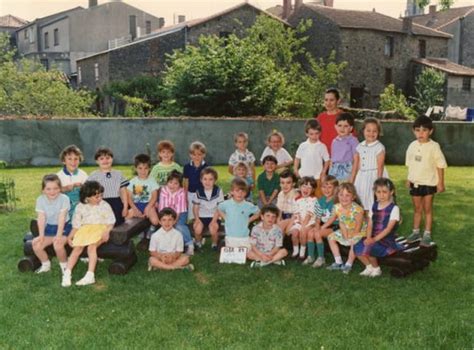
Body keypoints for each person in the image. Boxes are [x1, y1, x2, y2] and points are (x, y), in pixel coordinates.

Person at [61, 181, 115, 287]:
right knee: (77, 248)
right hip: (85, 230)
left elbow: (111, 221)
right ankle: (67, 273)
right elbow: (76, 225)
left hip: (100, 229)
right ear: (87, 197)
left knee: (91, 247)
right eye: (96, 197)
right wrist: (70, 236)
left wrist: (107, 232)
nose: (100, 198)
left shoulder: (105, 205)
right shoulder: (80, 207)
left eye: (101, 195)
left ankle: (90, 275)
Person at [405, 115, 447, 246]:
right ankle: (416, 232)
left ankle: (427, 234)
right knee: (417, 208)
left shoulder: (434, 146)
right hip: (415, 182)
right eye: (417, 130)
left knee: (427, 209)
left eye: (424, 130)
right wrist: (409, 178)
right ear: (413, 131)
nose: (421, 133)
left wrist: (440, 183)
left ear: (431, 131)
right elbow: (410, 164)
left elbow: (440, 165)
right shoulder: (412, 145)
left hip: (429, 183)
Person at [354, 178, 403, 277]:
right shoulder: (374, 206)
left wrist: (374, 239)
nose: (381, 195)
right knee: (357, 244)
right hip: (373, 237)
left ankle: (376, 269)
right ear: (375, 193)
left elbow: (388, 229)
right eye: (378, 192)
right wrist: (368, 237)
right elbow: (370, 224)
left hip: (386, 239)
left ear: (391, 192)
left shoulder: (394, 208)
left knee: (370, 247)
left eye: (385, 192)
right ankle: (369, 267)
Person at [324, 182, 367, 274]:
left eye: (347, 195)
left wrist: (351, 237)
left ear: (353, 197)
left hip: (358, 231)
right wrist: (322, 227)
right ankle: (338, 261)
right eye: (341, 195)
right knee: (330, 237)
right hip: (345, 228)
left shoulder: (357, 210)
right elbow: (336, 221)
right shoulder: (337, 207)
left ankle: (348, 264)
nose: (344, 198)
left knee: (354, 243)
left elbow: (358, 226)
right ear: (337, 196)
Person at [32, 174, 71, 274]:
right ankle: (45, 264)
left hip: (64, 226)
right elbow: (41, 218)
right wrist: (41, 235)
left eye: (55, 188)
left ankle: (65, 267)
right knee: (36, 243)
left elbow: (61, 218)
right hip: (49, 227)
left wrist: (58, 235)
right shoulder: (40, 200)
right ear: (43, 190)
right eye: (48, 189)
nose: (52, 191)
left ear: (60, 189)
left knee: (57, 245)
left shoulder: (64, 198)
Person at [351, 118, 388, 211]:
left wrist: (379, 184)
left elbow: (380, 167)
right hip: (361, 177)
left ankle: (374, 219)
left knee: (372, 199)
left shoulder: (379, 147)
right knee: (361, 200)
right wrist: (351, 181)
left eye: (374, 131)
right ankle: (363, 220)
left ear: (378, 132)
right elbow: (355, 166)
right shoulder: (359, 146)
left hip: (373, 176)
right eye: (368, 130)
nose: (371, 133)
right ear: (363, 131)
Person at [88, 147, 129, 226]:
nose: (105, 160)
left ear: (112, 159)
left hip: (116, 203)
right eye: (102, 158)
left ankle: (119, 238)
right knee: (103, 225)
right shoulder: (93, 176)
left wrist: (125, 207)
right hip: (100, 203)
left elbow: (123, 191)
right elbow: (88, 193)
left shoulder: (119, 174)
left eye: (108, 158)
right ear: (97, 161)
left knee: (118, 224)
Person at [304, 175, 339, 267]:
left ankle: (321, 258)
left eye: (329, 187)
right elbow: (318, 217)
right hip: (324, 223)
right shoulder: (320, 201)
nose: (326, 190)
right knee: (310, 233)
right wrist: (316, 226)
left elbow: (333, 218)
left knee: (318, 234)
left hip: (335, 225)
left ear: (335, 188)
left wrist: (320, 229)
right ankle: (310, 256)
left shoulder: (336, 201)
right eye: (324, 187)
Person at [158, 170, 194, 255]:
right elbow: (163, 208)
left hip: (180, 213)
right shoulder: (163, 191)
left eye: (176, 183)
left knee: (179, 226)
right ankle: (168, 247)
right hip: (166, 213)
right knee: (165, 226)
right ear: (167, 182)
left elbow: (178, 211)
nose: (172, 185)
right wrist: (167, 220)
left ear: (180, 184)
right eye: (170, 182)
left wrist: (173, 222)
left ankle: (190, 244)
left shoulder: (181, 192)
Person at [217, 178, 260, 249]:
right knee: (232, 254)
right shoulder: (227, 204)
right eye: (237, 191)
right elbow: (219, 208)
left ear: (246, 193)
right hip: (230, 237)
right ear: (232, 192)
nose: (240, 193)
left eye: (242, 191)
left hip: (244, 237)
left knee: (247, 253)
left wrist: (249, 220)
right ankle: (224, 244)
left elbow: (258, 212)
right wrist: (225, 217)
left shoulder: (248, 205)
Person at [192, 167, 224, 251]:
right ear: (201, 180)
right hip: (201, 215)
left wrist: (214, 221)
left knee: (213, 228)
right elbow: (195, 207)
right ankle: (198, 243)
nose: (207, 182)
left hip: (214, 215)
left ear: (215, 180)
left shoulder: (218, 191)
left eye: (210, 179)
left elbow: (219, 208)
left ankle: (214, 244)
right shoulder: (198, 191)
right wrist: (197, 219)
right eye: (205, 179)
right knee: (197, 229)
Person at [126, 154, 159, 233]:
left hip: (148, 204)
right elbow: (129, 198)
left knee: (155, 221)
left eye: (146, 168)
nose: (143, 171)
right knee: (126, 217)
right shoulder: (132, 181)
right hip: (136, 204)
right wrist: (135, 209)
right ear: (135, 168)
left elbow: (154, 197)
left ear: (149, 168)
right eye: (140, 168)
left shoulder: (152, 181)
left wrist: (148, 207)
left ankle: (151, 229)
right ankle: (136, 232)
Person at [294, 119, 330, 191]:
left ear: (320, 133)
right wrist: (295, 169)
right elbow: (297, 158)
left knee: (317, 195)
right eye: (311, 134)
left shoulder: (322, 146)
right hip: (304, 176)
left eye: (317, 133)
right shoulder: (302, 145)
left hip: (317, 177)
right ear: (306, 134)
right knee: (304, 195)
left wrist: (323, 172)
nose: (314, 136)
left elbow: (327, 160)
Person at [288, 177, 319, 260]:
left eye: (309, 187)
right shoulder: (297, 199)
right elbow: (296, 212)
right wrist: (297, 223)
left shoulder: (313, 200)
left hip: (310, 222)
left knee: (303, 231)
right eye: (304, 186)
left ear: (313, 190)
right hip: (299, 221)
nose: (306, 189)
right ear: (300, 187)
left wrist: (303, 225)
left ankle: (302, 251)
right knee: (294, 233)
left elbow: (309, 214)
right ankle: (295, 251)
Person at [56, 145, 88, 218]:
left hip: (80, 202)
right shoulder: (58, 176)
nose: (73, 162)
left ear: (79, 160)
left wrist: (82, 187)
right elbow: (54, 191)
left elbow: (88, 190)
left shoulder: (83, 174)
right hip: (64, 205)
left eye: (76, 159)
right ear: (64, 161)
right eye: (69, 159)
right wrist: (66, 188)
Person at [329, 113, 359, 182]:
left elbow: (356, 160)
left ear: (351, 128)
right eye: (340, 125)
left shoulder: (353, 140)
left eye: (346, 126)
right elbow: (332, 159)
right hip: (334, 171)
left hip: (346, 171)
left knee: (344, 191)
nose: (342, 128)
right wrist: (330, 173)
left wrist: (352, 176)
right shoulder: (334, 141)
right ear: (335, 126)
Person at [183, 141, 209, 220]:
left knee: (201, 212)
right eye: (194, 154)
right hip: (191, 193)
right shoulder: (187, 167)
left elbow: (209, 181)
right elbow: (186, 181)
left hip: (202, 193)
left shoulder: (206, 167)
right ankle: (192, 225)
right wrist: (185, 195)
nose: (196, 157)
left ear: (204, 155)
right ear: (190, 155)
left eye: (199, 154)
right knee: (191, 213)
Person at [315, 88, 343, 154]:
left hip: (339, 157)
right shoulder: (320, 117)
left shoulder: (344, 117)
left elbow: (351, 139)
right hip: (322, 156)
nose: (328, 103)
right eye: (326, 100)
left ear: (338, 101)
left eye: (331, 100)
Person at [276, 170, 298, 234]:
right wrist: (278, 221)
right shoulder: (280, 194)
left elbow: (295, 214)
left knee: (280, 226)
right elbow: (279, 210)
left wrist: (288, 226)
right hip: (283, 217)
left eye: (288, 183)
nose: (285, 185)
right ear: (280, 184)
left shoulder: (295, 195)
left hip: (294, 218)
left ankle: (277, 243)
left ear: (293, 183)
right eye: (282, 183)